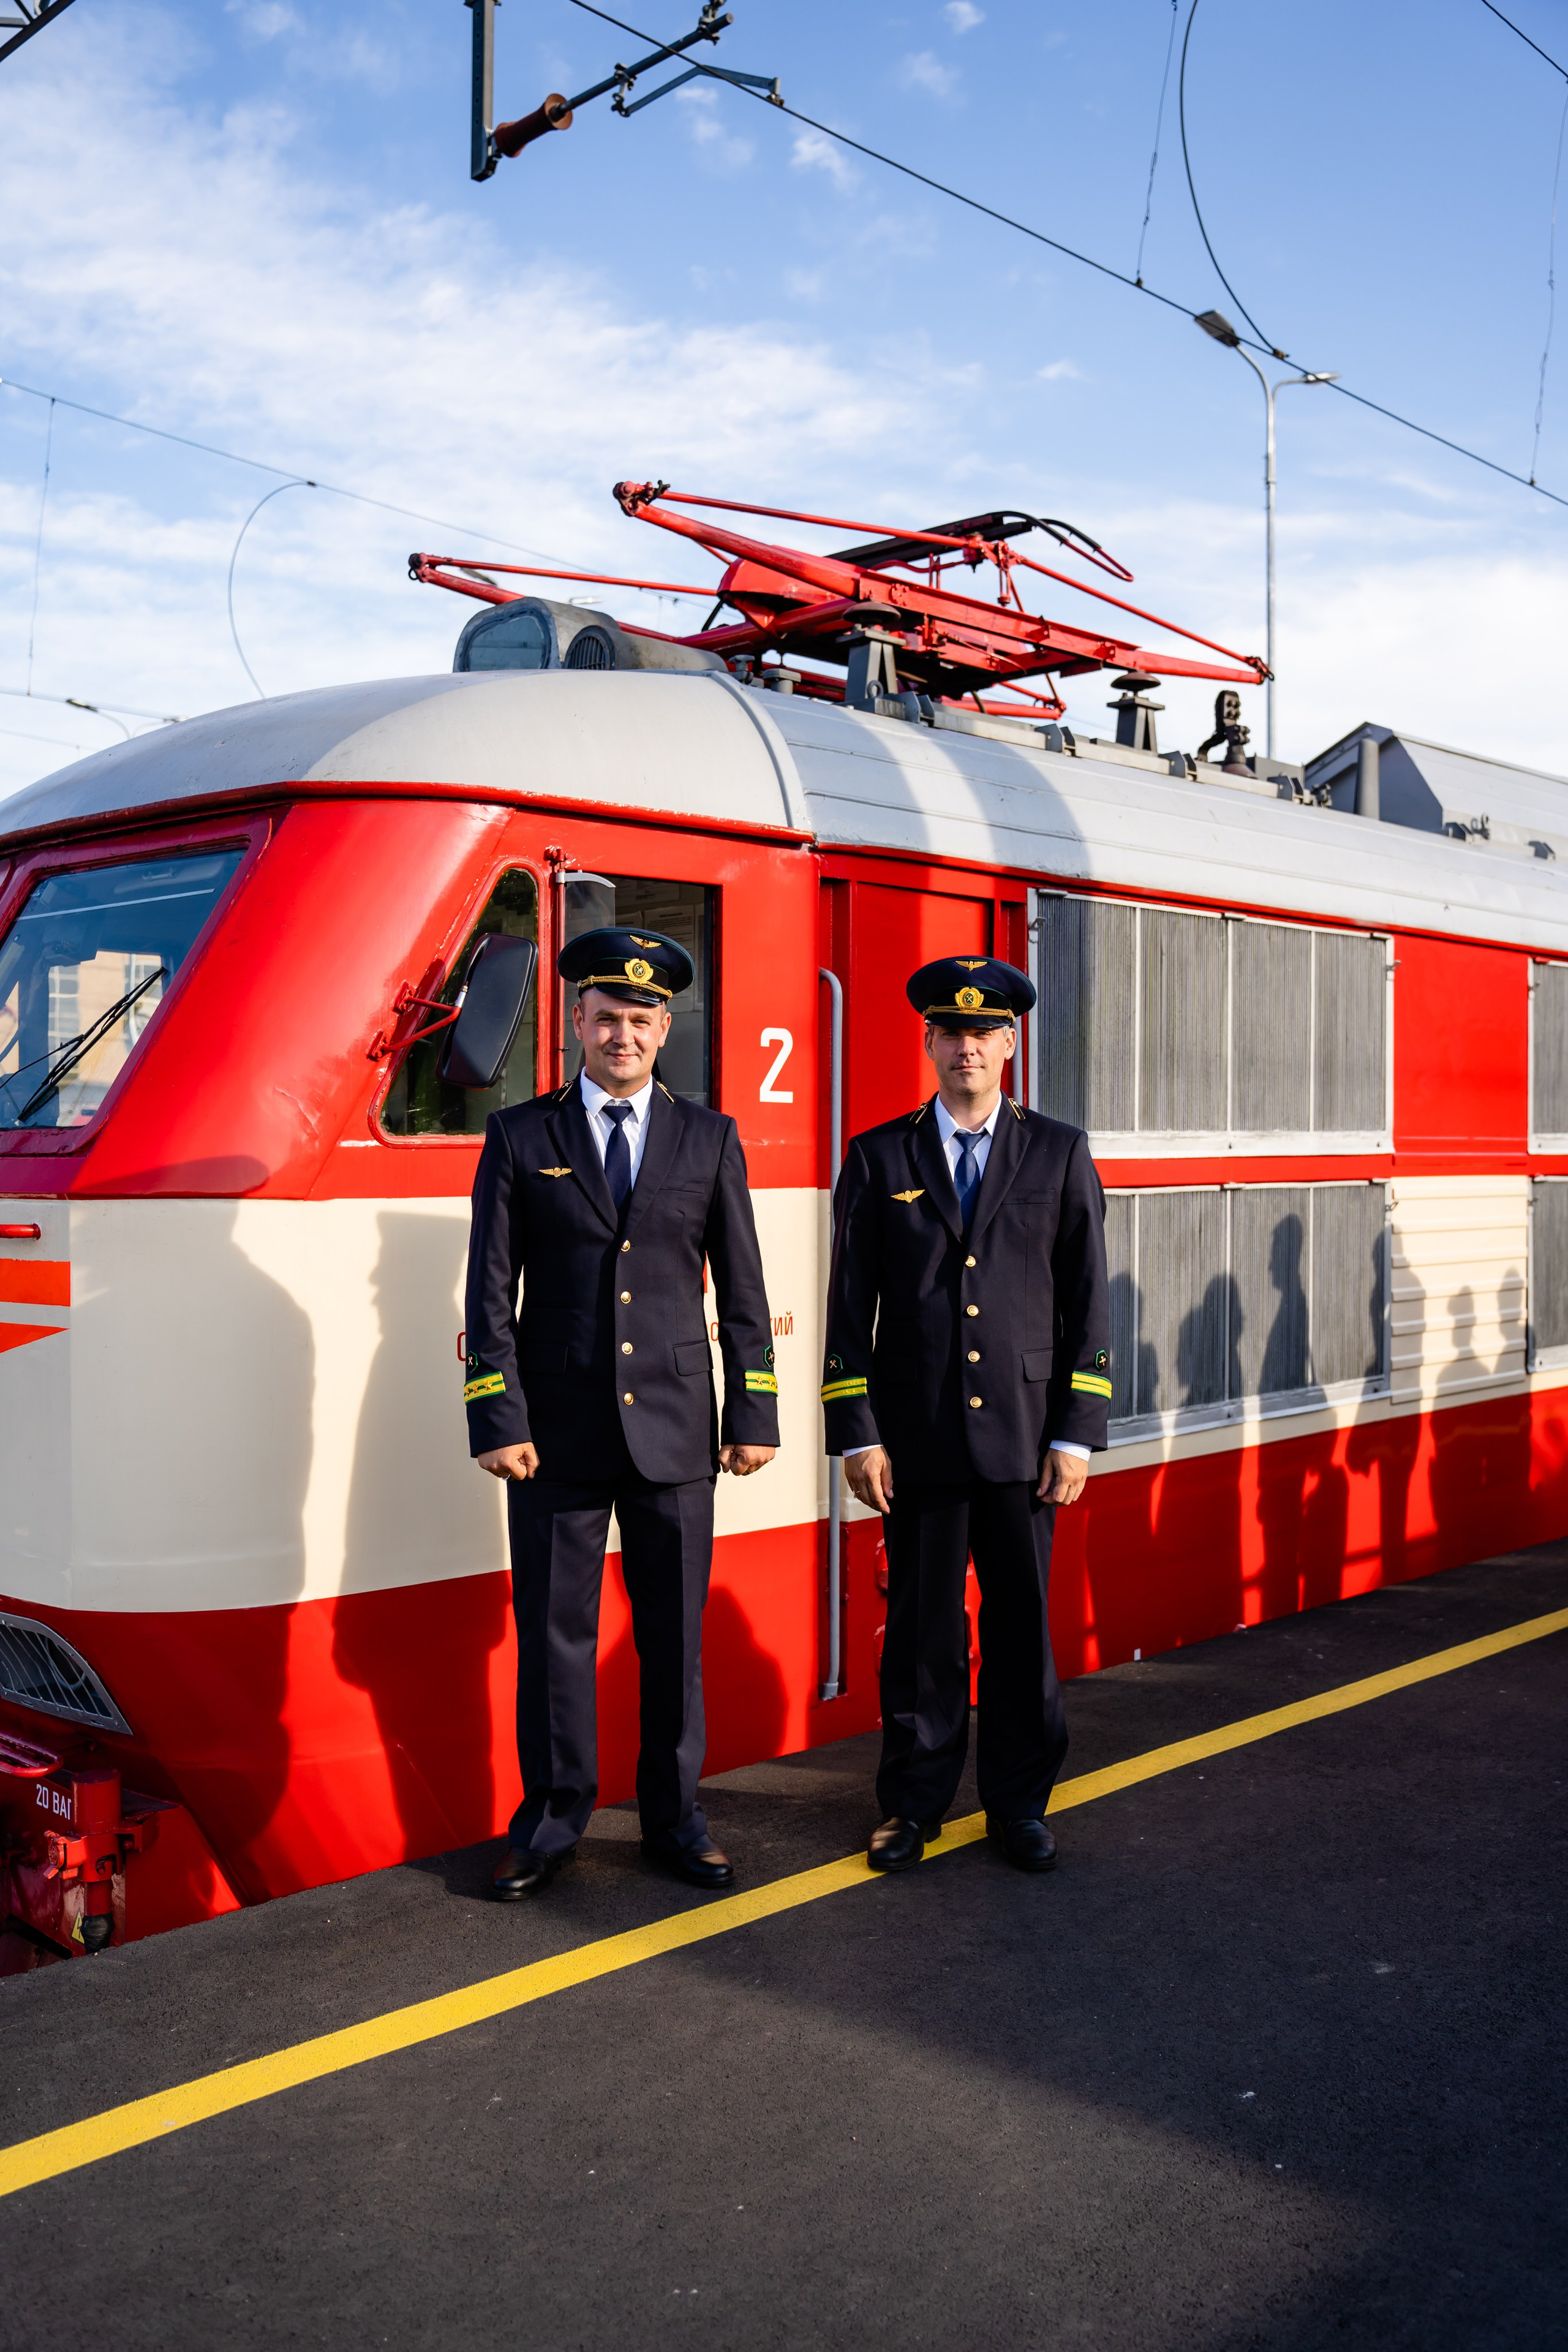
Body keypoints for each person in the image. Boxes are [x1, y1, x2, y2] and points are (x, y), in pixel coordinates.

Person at [464, 925, 778, 1897]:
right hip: (553, 1433)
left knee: (673, 1639)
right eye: (607, 1018)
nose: (624, 1035)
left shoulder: (709, 1137)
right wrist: (497, 1418)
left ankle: (675, 1821)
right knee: (555, 1638)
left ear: (666, 1026)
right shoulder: (522, 1135)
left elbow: (743, 1282)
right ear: (576, 1023)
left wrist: (753, 1412)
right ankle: (552, 1825)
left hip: (680, 1427)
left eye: (642, 1020)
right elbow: (488, 1292)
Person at [821, 956, 1110, 1875]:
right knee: (921, 1634)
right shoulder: (878, 1155)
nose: (968, 1048)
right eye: (952, 1033)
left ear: (1010, 1045)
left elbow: (1089, 1302)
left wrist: (1077, 1431)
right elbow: (846, 1309)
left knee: (1022, 1633)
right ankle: (913, 1805)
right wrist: (857, 1430)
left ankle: (1018, 1806)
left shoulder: (1059, 1153)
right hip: (918, 1441)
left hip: (1027, 1440)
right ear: (930, 1043)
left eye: (984, 1034)